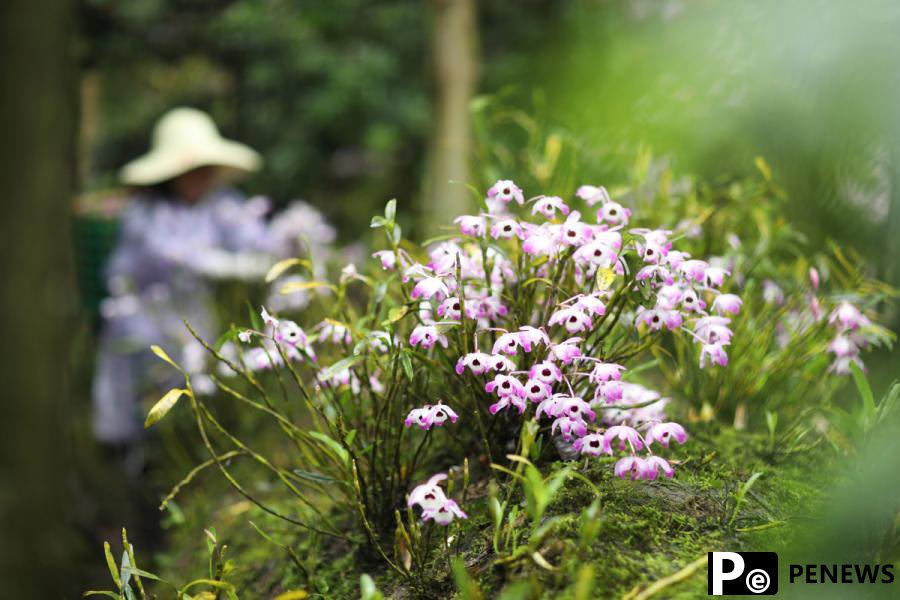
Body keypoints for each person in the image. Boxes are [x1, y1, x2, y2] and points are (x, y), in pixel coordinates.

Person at [92, 107, 272, 452]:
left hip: (194, 314)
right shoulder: (145, 212)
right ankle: (131, 455)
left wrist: (261, 257)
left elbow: (255, 244)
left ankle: (186, 447)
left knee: (197, 385)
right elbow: (168, 255)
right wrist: (219, 263)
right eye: (190, 170)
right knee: (141, 395)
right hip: (141, 315)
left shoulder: (223, 204)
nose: (199, 178)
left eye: (205, 169)